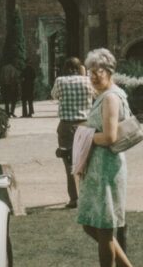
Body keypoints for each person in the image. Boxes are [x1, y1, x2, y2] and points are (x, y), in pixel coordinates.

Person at [77, 48, 133, 267]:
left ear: (108, 71)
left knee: (103, 229)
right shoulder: (107, 95)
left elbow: (109, 136)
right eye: (89, 72)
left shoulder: (110, 97)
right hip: (100, 168)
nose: (92, 76)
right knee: (92, 225)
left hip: (106, 169)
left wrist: (85, 135)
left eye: (96, 72)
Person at [51, 56, 92, 208]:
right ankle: (88, 195)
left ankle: (74, 198)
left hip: (66, 126)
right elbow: (95, 95)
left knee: (69, 163)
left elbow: (54, 96)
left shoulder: (60, 81)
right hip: (85, 124)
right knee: (86, 162)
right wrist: (84, 74)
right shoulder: (87, 81)